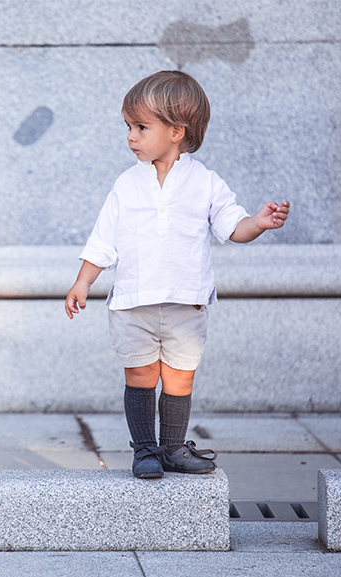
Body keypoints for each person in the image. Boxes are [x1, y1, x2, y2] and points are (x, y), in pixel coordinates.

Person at [65, 70, 289, 479]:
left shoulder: (204, 182)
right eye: (128, 127)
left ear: (176, 131)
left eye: (141, 127)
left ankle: (172, 448)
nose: (131, 136)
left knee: (179, 380)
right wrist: (84, 281)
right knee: (141, 375)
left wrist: (258, 222)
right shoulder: (126, 184)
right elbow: (103, 239)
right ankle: (144, 450)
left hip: (187, 301)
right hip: (134, 303)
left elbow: (232, 227)